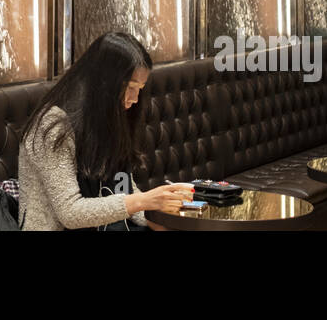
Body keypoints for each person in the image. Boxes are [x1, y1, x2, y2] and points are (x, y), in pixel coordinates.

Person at [17, 31, 194, 230]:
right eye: (130, 87)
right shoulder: (53, 125)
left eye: (140, 89)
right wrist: (146, 200)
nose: (135, 98)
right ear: (104, 83)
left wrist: (157, 219)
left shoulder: (107, 116)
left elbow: (122, 187)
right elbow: (70, 213)